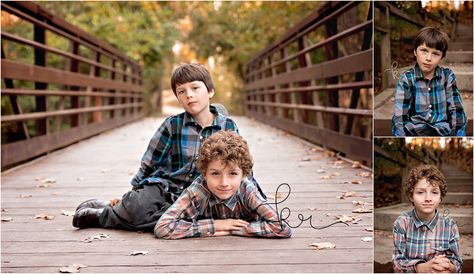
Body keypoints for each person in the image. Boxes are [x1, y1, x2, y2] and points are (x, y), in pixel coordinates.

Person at [72, 63, 265, 231]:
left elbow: (241, 164)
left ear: (210, 91)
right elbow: (150, 161)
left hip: (201, 192)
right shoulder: (172, 125)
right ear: (178, 98)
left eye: (195, 88)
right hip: (164, 186)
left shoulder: (227, 126)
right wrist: (132, 195)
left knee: (203, 215)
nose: (189, 95)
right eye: (182, 92)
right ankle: (106, 213)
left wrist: (253, 196)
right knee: (138, 207)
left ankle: (113, 213)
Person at [154, 131, 292, 239]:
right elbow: (163, 227)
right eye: (215, 174)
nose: (224, 183)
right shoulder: (198, 191)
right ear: (204, 174)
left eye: (232, 174)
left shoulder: (248, 190)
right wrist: (215, 225)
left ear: (243, 174)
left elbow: (282, 228)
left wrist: (234, 229)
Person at [392, 27, 466, 136]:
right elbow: (399, 116)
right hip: (414, 131)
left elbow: (456, 110)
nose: (428, 58)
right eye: (424, 51)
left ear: (442, 57)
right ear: (415, 51)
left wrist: (457, 135)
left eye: (435, 54)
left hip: (442, 131)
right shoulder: (407, 79)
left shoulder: (447, 76)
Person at [392, 165, 462, 273]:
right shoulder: (402, 223)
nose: (428, 198)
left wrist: (448, 267)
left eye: (434, 192)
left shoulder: (450, 226)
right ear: (411, 196)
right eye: (420, 192)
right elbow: (397, 263)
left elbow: (457, 262)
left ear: (440, 197)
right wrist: (422, 268)